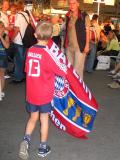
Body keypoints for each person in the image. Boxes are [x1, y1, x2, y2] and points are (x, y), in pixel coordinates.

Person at [19, 21, 66, 159]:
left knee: (33, 118)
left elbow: (27, 70)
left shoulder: (30, 50)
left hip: (31, 93)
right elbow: (62, 71)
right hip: (44, 95)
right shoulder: (48, 54)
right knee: (44, 119)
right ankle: (42, 148)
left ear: (35, 35)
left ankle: (26, 140)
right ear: (51, 36)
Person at [64, 0, 90, 80]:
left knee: (77, 70)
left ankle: (78, 90)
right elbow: (67, 31)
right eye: (70, 4)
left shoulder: (84, 15)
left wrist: (87, 45)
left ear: (78, 4)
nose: (71, 5)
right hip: (69, 47)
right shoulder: (68, 15)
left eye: (74, 3)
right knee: (69, 69)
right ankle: (70, 88)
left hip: (80, 47)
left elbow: (88, 31)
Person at [12, 1, 29, 82]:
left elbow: (17, 29)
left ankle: (18, 77)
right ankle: (23, 74)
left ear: (17, 7)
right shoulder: (26, 15)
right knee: (23, 59)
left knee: (18, 59)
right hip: (25, 40)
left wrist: (12, 38)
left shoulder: (18, 15)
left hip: (18, 40)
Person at [0, 21, 9, 101]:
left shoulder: (5, 36)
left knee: (1, 75)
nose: (1, 28)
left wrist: (0, 37)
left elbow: (7, 46)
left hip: (2, 57)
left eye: (2, 26)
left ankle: (1, 91)